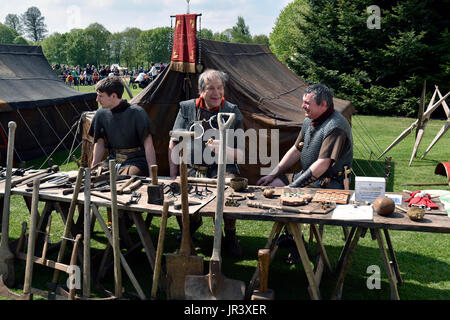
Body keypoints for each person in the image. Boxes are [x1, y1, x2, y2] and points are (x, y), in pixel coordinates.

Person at [257, 83, 353, 263]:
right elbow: (296, 150)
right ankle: (295, 239)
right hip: (309, 178)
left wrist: (293, 187)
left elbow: (323, 164)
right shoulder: (310, 121)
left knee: (291, 199)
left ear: (323, 104)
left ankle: (296, 244)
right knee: (270, 185)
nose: (303, 106)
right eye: (303, 102)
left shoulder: (335, 127)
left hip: (331, 184)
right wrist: (273, 173)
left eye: (307, 103)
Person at [168, 69, 245, 258]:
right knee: (178, 192)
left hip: (222, 167)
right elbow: (174, 142)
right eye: (211, 88)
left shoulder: (232, 111)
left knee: (230, 189)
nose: (216, 93)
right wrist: (173, 173)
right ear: (201, 90)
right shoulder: (187, 108)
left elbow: (240, 155)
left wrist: (224, 149)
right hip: (192, 168)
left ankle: (230, 235)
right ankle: (189, 228)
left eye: (220, 88)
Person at [89, 76, 157, 177]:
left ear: (113, 96)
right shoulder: (101, 114)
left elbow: (149, 145)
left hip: (136, 162)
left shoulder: (137, 113)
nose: (97, 99)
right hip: (113, 160)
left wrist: (153, 176)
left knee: (125, 179)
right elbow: (99, 143)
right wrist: (93, 169)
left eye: (101, 96)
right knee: (97, 176)